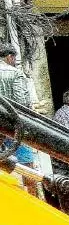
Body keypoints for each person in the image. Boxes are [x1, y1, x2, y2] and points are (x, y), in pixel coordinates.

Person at [0, 44, 36, 196]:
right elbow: (21, 103)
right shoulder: (14, 73)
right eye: (14, 59)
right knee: (27, 165)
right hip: (13, 125)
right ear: (10, 57)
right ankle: (34, 200)